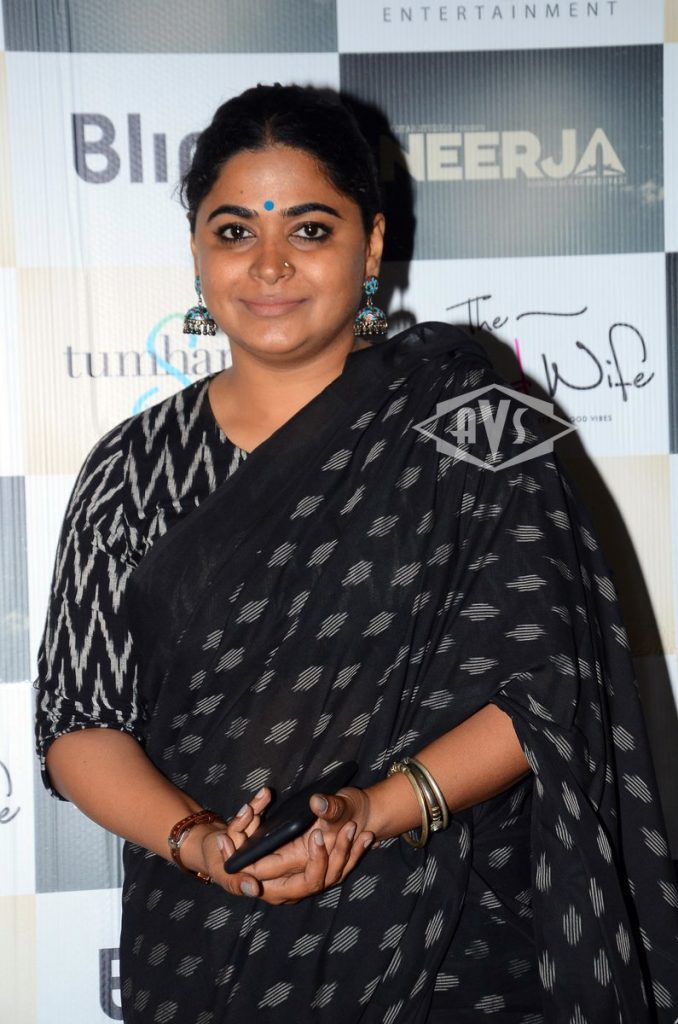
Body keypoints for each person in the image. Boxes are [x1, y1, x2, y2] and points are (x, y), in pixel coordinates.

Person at [35, 84, 678, 1023]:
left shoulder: (476, 419)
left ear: (371, 246)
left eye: (309, 229)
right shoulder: (130, 467)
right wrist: (200, 841)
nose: (269, 265)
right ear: (197, 252)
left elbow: (552, 679)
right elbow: (77, 722)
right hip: (205, 940)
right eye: (234, 232)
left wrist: (375, 811)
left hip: (445, 932)